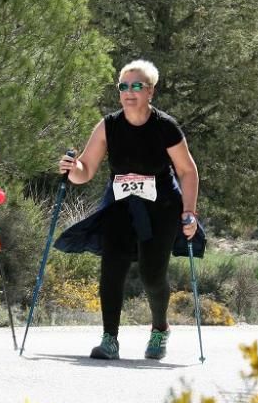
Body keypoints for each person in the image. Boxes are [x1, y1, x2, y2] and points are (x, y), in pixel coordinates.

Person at [55, 59, 203, 360]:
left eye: (137, 86)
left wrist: (189, 213)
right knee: (112, 268)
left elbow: (187, 171)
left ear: (151, 92)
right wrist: (72, 169)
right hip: (120, 206)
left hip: (160, 208)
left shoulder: (165, 127)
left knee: (152, 274)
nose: (129, 92)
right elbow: (87, 169)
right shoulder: (108, 125)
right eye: (124, 86)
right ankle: (109, 338)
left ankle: (160, 328)